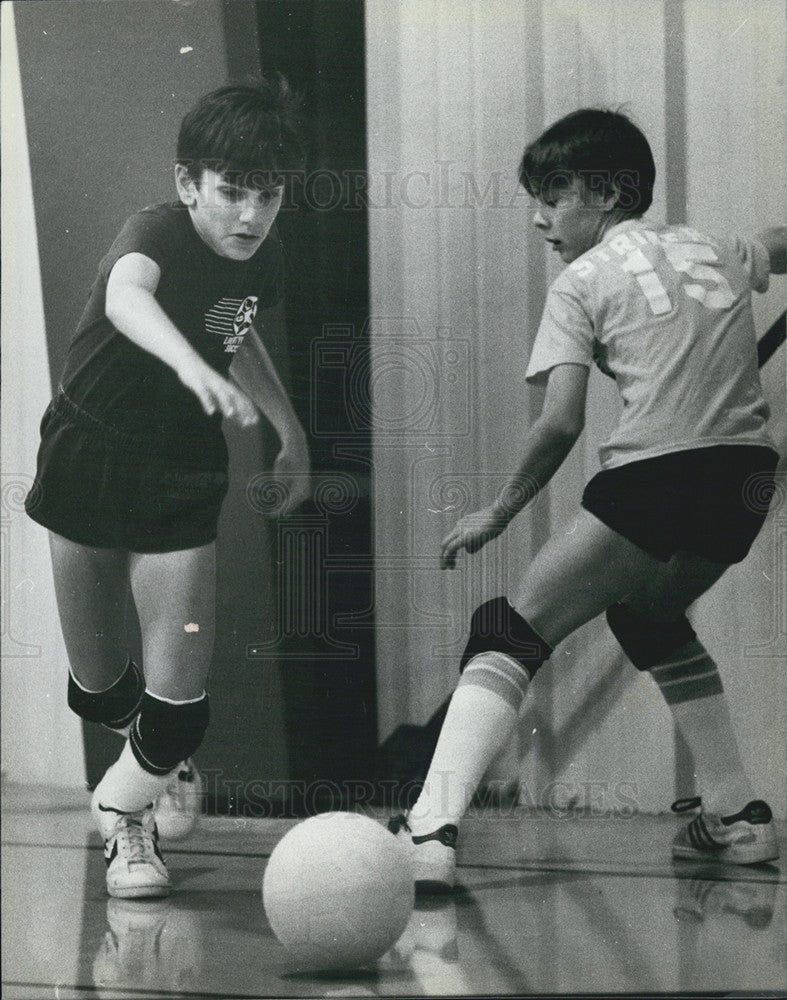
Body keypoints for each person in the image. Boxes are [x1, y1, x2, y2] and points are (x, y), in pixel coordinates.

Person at [389, 108, 786, 891]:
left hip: (654, 481)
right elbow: (778, 240)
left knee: (507, 630)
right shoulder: (714, 247)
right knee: (648, 617)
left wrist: (496, 511)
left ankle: (428, 831)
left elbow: (560, 423)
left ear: (605, 193)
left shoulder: (580, 282)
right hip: (743, 484)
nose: (539, 215)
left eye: (553, 193)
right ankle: (736, 815)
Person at [25, 78, 310, 899]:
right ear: (189, 185)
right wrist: (185, 363)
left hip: (180, 464)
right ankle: (153, 768)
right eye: (230, 192)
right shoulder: (153, 230)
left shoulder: (267, 257)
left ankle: (126, 812)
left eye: (268, 194)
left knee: (178, 707)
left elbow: (235, 331)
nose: (250, 215)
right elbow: (126, 298)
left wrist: (289, 431)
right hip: (88, 448)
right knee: (97, 691)